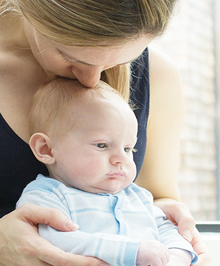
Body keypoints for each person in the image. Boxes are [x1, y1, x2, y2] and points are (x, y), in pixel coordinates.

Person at [0, 0, 211, 265]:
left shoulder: (158, 74)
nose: (92, 80)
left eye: (117, 62)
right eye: (71, 56)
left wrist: (172, 226)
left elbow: (156, 197)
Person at [17, 78, 198, 266]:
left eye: (128, 149)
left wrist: (177, 256)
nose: (121, 159)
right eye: (102, 145)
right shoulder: (46, 197)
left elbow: (166, 230)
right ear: (46, 149)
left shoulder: (136, 196)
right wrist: (131, 251)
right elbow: (55, 242)